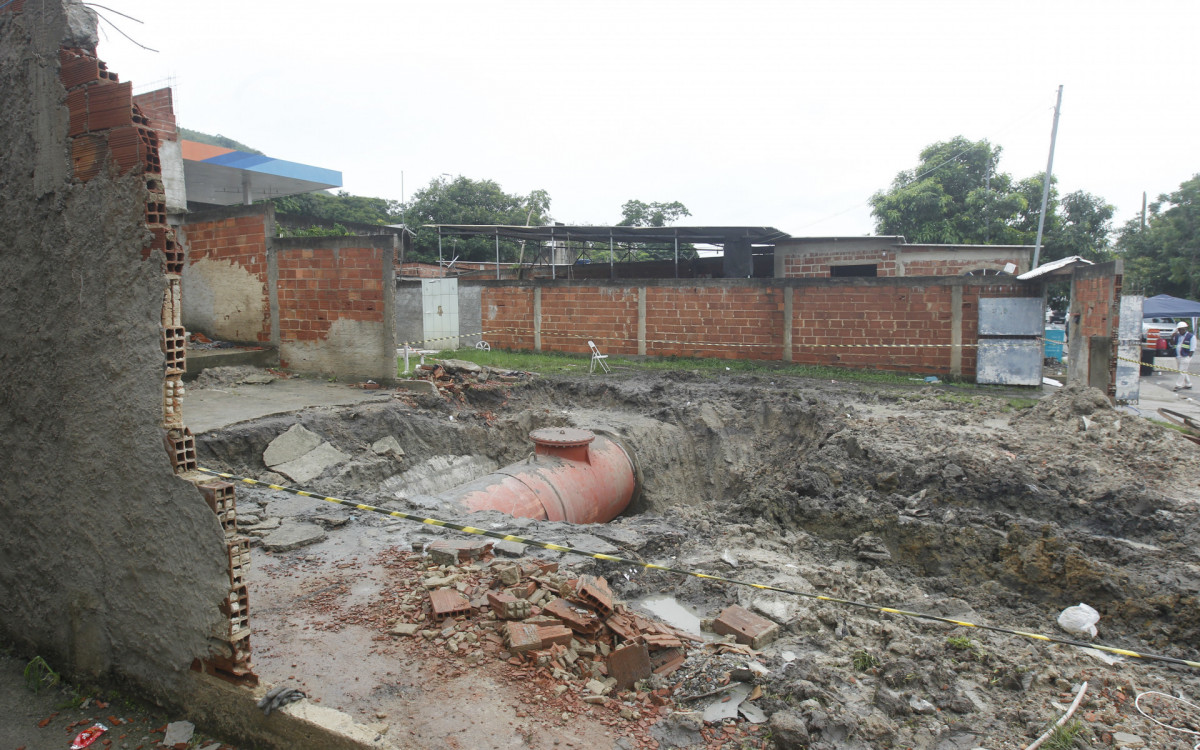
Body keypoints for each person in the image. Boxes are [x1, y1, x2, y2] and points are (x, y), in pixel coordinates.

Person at [1172, 321, 1195, 390]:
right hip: (1178, 356)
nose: (1179, 331)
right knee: (1183, 370)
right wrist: (1172, 337)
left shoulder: (1191, 336)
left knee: (1182, 371)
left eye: (1181, 329)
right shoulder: (1178, 336)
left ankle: (1178, 385)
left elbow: (1192, 349)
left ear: (1185, 329)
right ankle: (1188, 384)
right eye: (1178, 329)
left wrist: (1188, 357)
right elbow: (1173, 344)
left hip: (1185, 356)